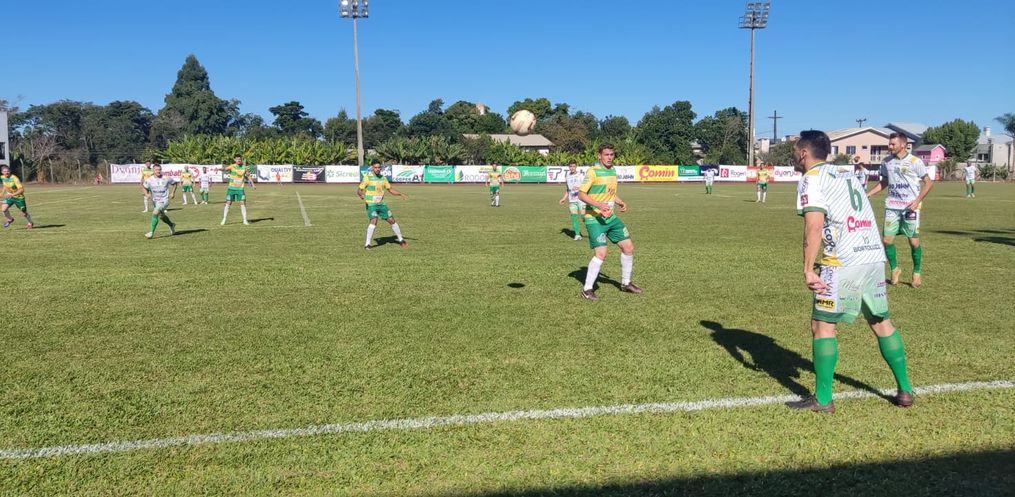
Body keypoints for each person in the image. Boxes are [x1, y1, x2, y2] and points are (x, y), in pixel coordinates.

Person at [788, 130, 914, 413]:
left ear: (804, 153)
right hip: (872, 256)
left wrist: (808, 269)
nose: (794, 155)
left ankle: (823, 399)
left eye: (795, 150)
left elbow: (814, 226)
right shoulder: (845, 174)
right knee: (881, 322)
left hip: (842, 262)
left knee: (822, 326)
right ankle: (905, 389)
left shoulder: (811, 178)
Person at [866, 132, 934, 288]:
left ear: (903, 145)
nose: (890, 147)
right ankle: (894, 269)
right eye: (889, 144)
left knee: (914, 242)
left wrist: (917, 201)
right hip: (892, 206)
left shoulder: (915, 162)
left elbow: (928, 182)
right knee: (886, 240)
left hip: (910, 208)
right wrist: (868, 194)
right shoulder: (886, 162)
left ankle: (916, 272)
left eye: (893, 144)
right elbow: (884, 182)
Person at [577, 143, 641, 300]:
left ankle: (626, 283)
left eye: (612, 154)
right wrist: (599, 205)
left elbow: (610, 193)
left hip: (610, 217)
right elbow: (581, 194)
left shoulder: (612, 171)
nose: (609, 157)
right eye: (606, 154)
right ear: (599, 156)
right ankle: (587, 289)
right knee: (601, 253)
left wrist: (620, 202)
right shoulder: (593, 172)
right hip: (594, 218)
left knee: (628, 247)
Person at [358, 161, 408, 250]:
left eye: (379, 167)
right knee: (374, 221)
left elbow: (390, 189)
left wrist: (400, 194)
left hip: (381, 204)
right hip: (371, 204)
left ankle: (401, 240)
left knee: (392, 220)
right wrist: (361, 194)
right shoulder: (367, 178)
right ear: (372, 168)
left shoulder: (383, 178)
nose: (377, 169)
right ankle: (367, 244)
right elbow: (359, 189)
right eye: (375, 167)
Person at [141, 163, 178, 239]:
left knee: (155, 212)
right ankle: (171, 225)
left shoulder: (166, 178)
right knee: (161, 216)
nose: (158, 171)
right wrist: (146, 194)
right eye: (156, 170)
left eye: (159, 169)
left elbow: (175, 183)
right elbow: (144, 187)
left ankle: (151, 233)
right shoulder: (149, 180)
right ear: (153, 170)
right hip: (155, 201)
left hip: (165, 200)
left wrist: (173, 193)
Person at [221, 155, 256, 225]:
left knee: (243, 203)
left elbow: (248, 176)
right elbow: (225, 169)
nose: (239, 160)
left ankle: (245, 220)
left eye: (240, 159)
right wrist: (219, 169)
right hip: (231, 189)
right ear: (234, 160)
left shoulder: (245, 167)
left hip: (240, 189)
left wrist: (253, 184)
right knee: (228, 203)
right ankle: (224, 219)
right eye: (237, 159)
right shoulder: (232, 166)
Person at [558, 160, 585, 241]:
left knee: (584, 217)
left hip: (581, 199)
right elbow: (568, 189)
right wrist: (564, 198)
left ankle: (594, 232)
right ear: (569, 167)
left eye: (573, 166)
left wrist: (579, 188)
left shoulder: (581, 175)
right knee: (574, 217)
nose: (572, 168)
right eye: (570, 166)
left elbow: (586, 187)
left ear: (576, 167)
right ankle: (577, 235)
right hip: (572, 201)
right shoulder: (567, 176)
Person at [1, 165, 34, 230]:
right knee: (4, 209)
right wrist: (2, 193)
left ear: (10, 171)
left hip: (19, 198)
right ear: (2, 172)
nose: (6, 172)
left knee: (24, 212)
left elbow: (22, 190)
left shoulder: (14, 178)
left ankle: (30, 223)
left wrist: (12, 194)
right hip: (10, 197)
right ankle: (10, 219)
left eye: (7, 171)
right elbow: (5, 185)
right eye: (4, 171)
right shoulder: (2, 177)